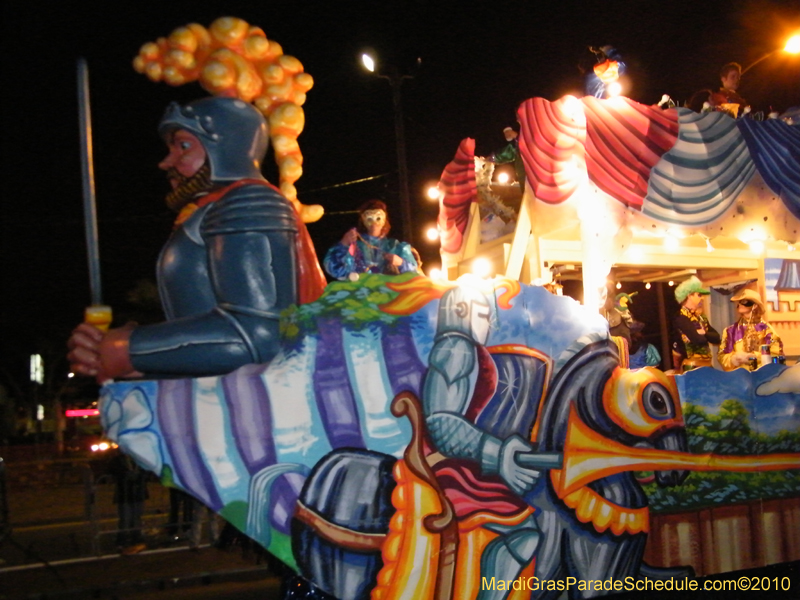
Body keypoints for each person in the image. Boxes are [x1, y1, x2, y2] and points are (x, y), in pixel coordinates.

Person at [67, 97, 326, 380]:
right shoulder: (212, 210)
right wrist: (133, 361)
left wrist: (129, 349)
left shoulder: (249, 202)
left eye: (184, 146)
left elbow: (260, 336)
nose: (167, 162)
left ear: (225, 145)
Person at [323, 200, 418, 281]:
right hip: (360, 297)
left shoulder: (394, 246)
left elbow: (414, 274)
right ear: (363, 220)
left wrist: (400, 263)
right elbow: (333, 268)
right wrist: (343, 244)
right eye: (369, 218)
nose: (374, 223)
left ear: (384, 220)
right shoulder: (355, 247)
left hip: (389, 297)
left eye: (378, 218)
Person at [718, 288, 783, 370]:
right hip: (739, 376)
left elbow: (776, 353)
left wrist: (754, 357)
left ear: (755, 306)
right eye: (740, 302)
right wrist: (733, 359)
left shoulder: (767, 330)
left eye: (745, 302)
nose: (740, 304)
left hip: (761, 376)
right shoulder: (730, 331)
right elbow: (722, 356)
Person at [673, 276, 720, 370]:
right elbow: (698, 340)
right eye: (699, 295)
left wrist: (704, 333)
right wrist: (704, 335)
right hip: (693, 366)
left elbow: (717, 338)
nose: (702, 298)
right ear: (689, 296)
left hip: (707, 365)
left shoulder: (701, 317)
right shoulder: (681, 318)